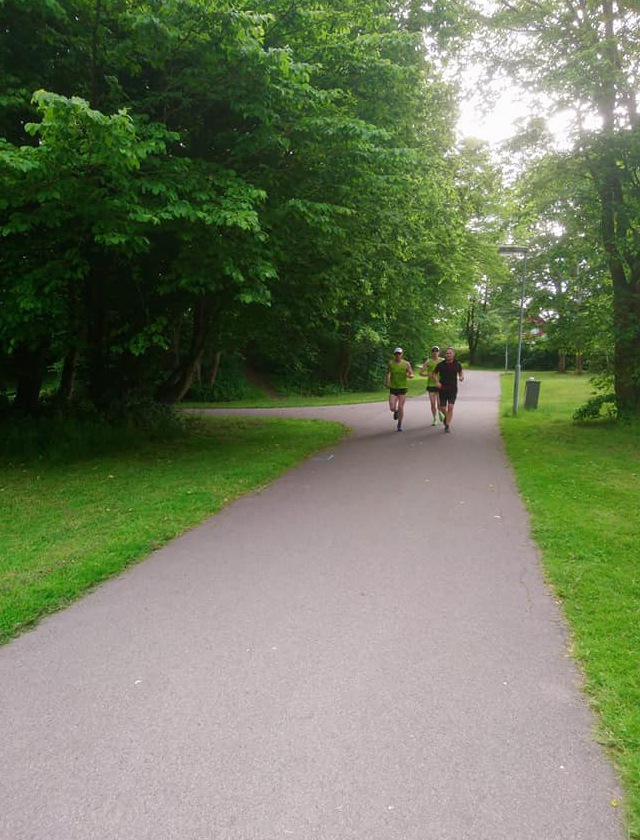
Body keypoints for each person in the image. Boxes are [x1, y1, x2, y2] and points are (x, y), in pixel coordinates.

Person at [431, 346, 464, 433]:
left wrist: (461, 376)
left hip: (452, 389)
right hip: (442, 388)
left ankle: (447, 425)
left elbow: (460, 371)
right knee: (442, 407)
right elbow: (433, 373)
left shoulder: (457, 364)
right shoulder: (441, 365)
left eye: (450, 353)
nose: (448, 355)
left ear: (453, 354)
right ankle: (447, 417)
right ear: (445, 355)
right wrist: (437, 382)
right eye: (447, 353)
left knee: (450, 406)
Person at [386, 347, 414, 432]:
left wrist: (410, 376)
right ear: (394, 354)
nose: (398, 355)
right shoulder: (391, 363)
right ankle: (396, 411)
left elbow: (411, 373)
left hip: (403, 387)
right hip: (393, 387)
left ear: (402, 354)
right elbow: (388, 373)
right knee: (392, 407)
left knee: (401, 407)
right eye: (396, 354)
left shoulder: (406, 364)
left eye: (399, 353)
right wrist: (388, 382)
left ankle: (399, 424)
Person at [419, 345, 444, 426]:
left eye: (436, 351)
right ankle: (435, 419)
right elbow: (421, 373)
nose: (435, 352)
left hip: (440, 384)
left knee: (439, 403)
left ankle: (440, 412)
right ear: (431, 352)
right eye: (433, 351)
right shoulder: (428, 362)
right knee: (432, 403)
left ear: (439, 352)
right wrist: (427, 375)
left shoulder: (442, 360)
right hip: (431, 384)